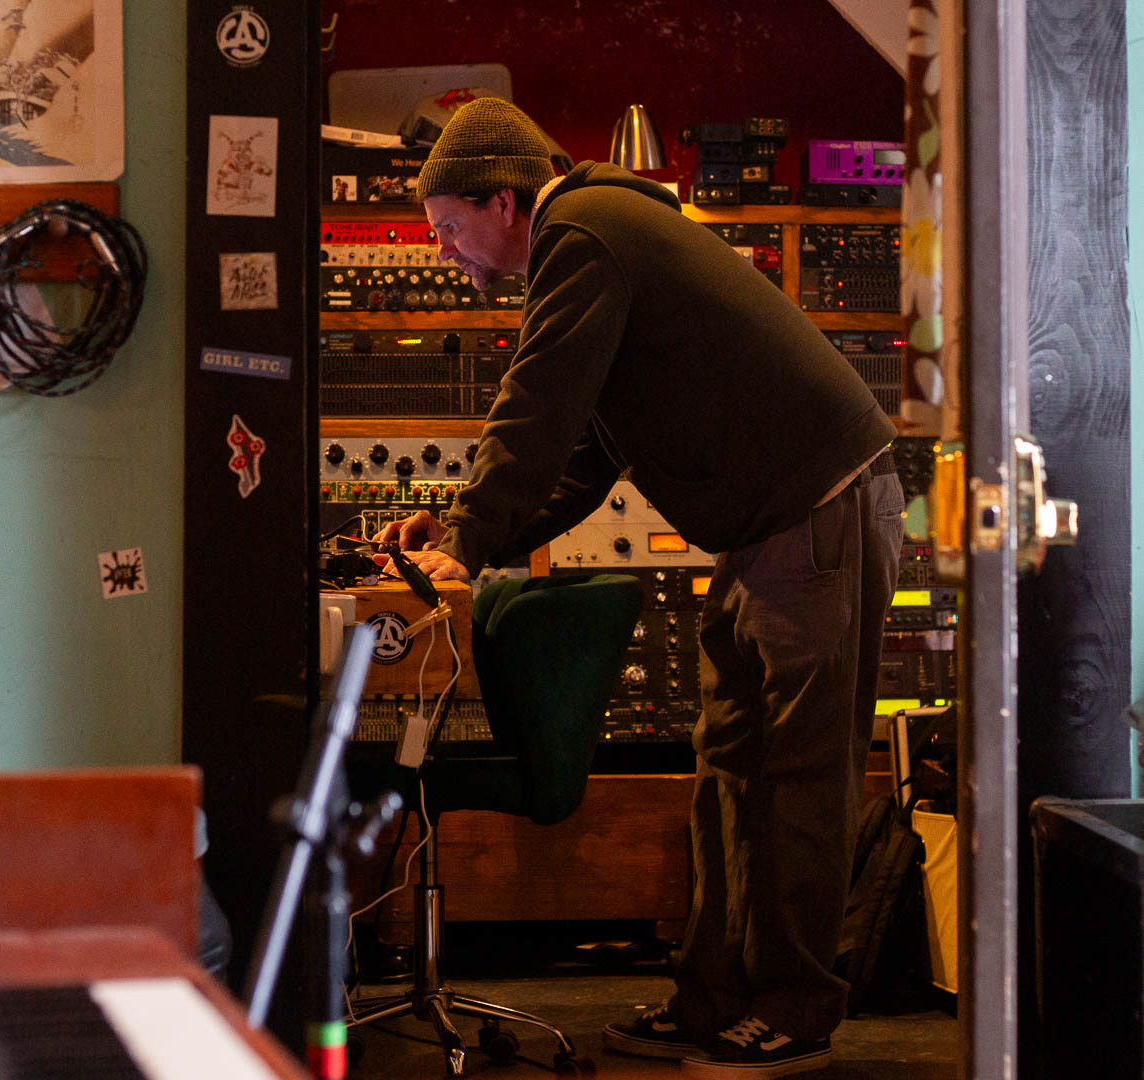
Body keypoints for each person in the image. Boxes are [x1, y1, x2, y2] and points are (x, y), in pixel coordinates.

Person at [373, 96, 904, 1079]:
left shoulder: (586, 231)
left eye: (449, 229)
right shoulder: (597, 239)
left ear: (504, 200)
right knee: (729, 773)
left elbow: (535, 405)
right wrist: (458, 534)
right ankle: (714, 1003)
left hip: (816, 512)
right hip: (768, 531)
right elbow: (579, 456)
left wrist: (469, 536)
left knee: (795, 782)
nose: (445, 251)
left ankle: (792, 1012)